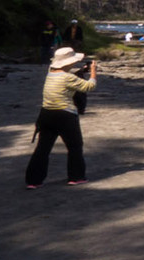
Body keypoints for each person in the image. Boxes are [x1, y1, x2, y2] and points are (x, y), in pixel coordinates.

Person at [26, 47, 97, 188]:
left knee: (43, 148)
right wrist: (93, 72)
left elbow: (65, 76)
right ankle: (76, 177)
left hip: (46, 114)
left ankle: (33, 181)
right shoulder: (68, 77)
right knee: (75, 147)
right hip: (66, 115)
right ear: (69, 62)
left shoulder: (50, 73)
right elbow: (89, 86)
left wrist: (81, 71)